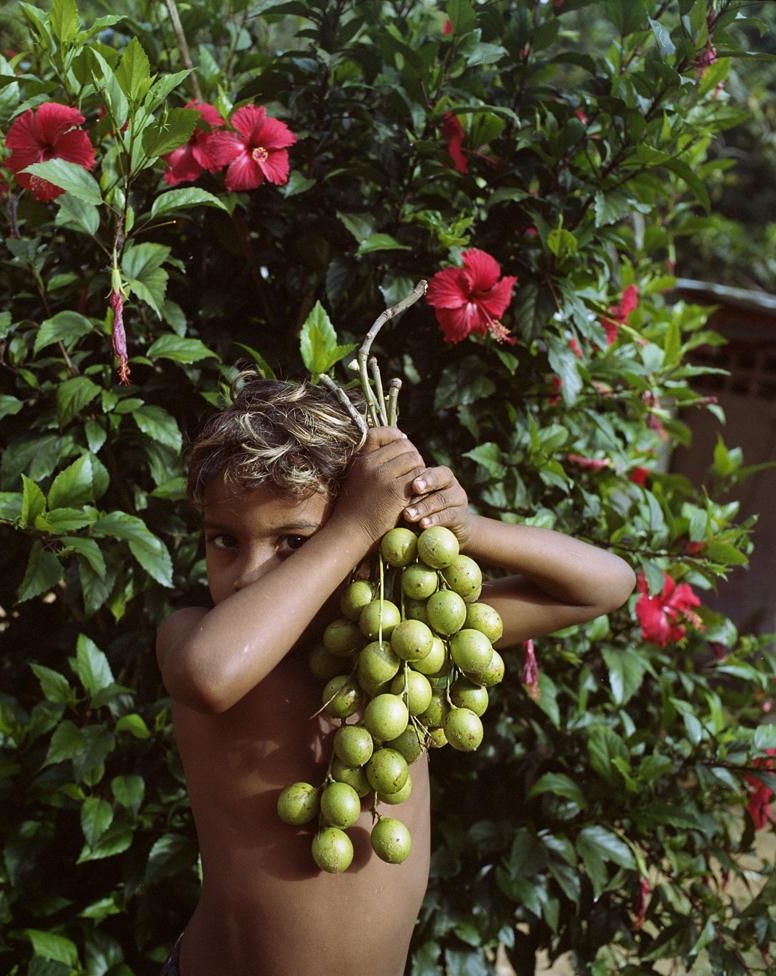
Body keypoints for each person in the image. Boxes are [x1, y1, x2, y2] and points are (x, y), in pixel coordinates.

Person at [156, 377, 636, 976]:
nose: (249, 572)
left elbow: (606, 584)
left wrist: (462, 528)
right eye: (224, 540)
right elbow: (210, 676)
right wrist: (352, 527)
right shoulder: (194, 633)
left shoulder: (406, 642)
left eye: (293, 542)